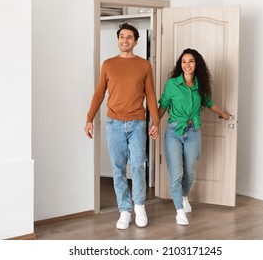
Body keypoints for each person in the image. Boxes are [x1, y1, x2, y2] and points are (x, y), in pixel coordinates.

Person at [84, 23, 159, 230]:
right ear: (118, 40)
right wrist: (90, 118)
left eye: (129, 37)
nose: (125, 40)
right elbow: (99, 93)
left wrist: (155, 120)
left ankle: (140, 206)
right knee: (118, 169)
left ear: (136, 41)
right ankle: (124, 210)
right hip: (114, 123)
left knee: (137, 165)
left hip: (137, 122)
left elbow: (150, 94)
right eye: (122, 37)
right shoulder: (108, 64)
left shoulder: (144, 65)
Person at [158, 48, 231, 226]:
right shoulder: (172, 84)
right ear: (180, 64)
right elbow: (163, 105)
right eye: (184, 61)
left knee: (189, 172)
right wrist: (153, 124)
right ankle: (179, 210)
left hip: (193, 132)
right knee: (176, 173)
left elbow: (208, 103)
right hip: (174, 132)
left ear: (196, 64)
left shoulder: (201, 85)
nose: (187, 64)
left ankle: (183, 196)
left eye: (191, 61)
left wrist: (223, 114)